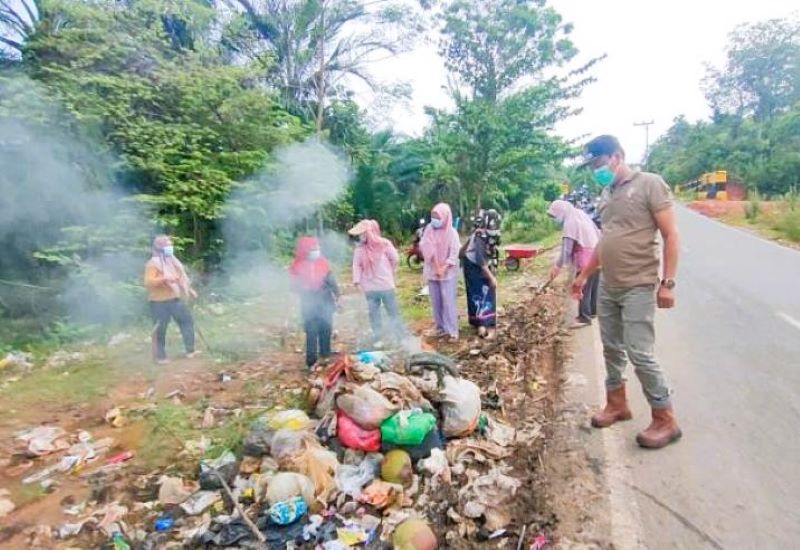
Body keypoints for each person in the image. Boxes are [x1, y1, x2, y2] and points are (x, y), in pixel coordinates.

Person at [572, 135, 682, 449]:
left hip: (639, 284)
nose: (596, 170)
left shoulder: (650, 184)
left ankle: (665, 418)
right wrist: (584, 275)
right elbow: (605, 240)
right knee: (611, 348)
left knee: (639, 352)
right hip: (609, 284)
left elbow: (671, 235)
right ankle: (617, 404)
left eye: (598, 163)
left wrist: (668, 283)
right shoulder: (607, 194)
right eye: (592, 166)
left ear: (617, 156)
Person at [144, 235, 198, 364]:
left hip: (174, 299)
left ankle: (190, 350)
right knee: (160, 329)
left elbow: (180, 277)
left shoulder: (172, 261)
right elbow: (148, 282)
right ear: (159, 247)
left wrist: (189, 289)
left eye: (170, 245)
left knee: (187, 322)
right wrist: (164, 279)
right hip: (158, 302)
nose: (170, 247)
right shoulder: (153, 264)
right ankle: (160, 357)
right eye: (167, 245)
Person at [548, 200, 601, 328]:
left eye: (554, 216)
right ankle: (593, 311)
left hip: (586, 258)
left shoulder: (570, 222)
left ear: (560, 211)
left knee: (583, 286)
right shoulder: (580, 214)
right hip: (597, 253)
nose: (555, 219)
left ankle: (584, 317)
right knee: (593, 285)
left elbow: (566, 249)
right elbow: (597, 231)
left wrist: (557, 266)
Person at [349, 219, 403, 346]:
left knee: (392, 311)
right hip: (370, 288)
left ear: (371, 232)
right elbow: (356, 266)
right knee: (374, 313)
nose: (361, 236)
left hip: (385, 285)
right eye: (360, 234)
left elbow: (395, 258)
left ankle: (400, 337)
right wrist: (357, 281)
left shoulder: (384, 244)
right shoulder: (359, 249)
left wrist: (390, 271)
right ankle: (378, 338)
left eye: (363, 233)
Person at [289, 236, 341, 367]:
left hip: (325, 301)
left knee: (326, 328)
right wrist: (305, 288)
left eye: (317, 248)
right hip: (308, 303)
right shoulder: (297, 266)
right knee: (311, 332)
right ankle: (311, 360)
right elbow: (294, 287)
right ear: (305, 251)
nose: (316, 251)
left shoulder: (323, 263)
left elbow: (332, 281)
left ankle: (325, 354)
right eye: (313, 249)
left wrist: (338, 297)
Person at [420, 203, 461, 342]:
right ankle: (440, 327)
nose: (434, 219)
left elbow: (454, 252)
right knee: (436, 300)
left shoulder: (452, 233)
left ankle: (452, 331)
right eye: (433, 216)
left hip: (448, 272)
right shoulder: (429, 230)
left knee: (448, 301)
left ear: (445, 217)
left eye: (437, 217)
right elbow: (426, 247)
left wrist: (444, 267)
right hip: (433, 270)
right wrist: (436, 266)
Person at [461, 210, 499, 338]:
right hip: (472, 265)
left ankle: (489, 319)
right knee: (477, 293)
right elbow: (479, 259)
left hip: (484, 264)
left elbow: (492, 251)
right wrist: (491, 277)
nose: (494, 224)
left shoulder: (494, 233)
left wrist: (492, 271)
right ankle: (480, 323)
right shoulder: (479, 235)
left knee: (489, 290)